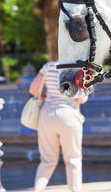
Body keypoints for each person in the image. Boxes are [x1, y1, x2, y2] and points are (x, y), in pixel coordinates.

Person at [29, 61, 87, 192]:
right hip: (69, 116)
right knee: (73, 159)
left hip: (47, 115)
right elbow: (81, 99)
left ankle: (38, 189)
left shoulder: (48, 66)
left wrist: (46, 96)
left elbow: (33, 89)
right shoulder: (76, 68)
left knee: (47, 161)